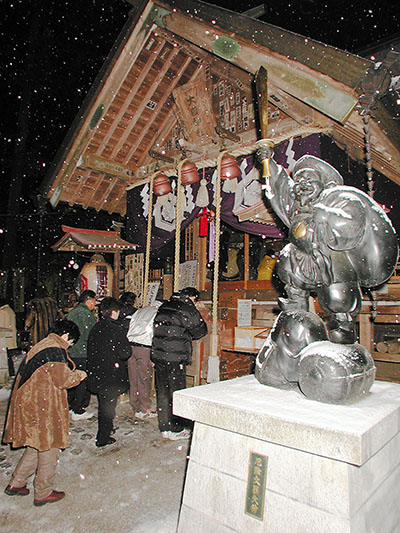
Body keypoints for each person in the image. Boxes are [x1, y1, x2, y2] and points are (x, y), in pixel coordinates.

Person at [256, 144, 398, 343]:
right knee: (288, 260)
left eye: (309, 180)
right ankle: (297, 306)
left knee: (337, 294)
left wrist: (322, 215)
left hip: (333, 262)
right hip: (304, 259)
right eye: (299, 180)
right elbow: (281, 188)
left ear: (325, 184)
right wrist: (268, 163)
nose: (302, 184)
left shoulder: (340, 198)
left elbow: (351, 224)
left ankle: (343, 324)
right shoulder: (299, 205)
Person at [2, 319, 86, 506]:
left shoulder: (44, 344)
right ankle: (43, 492)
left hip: (29, 404)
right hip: (42, 406)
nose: (70, 345)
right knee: (50, 446)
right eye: (71, 341)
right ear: (65, 335)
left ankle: (17, 483)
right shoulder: (55, 351)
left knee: (35, 445)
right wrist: (80, 374)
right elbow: (63, 380)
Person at [151, 287, 208, 440]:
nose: (197, 302)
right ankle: (176, 428)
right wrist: (198, 312)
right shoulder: (187, 309)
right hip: (175, 357)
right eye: (196, 299)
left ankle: (165, 427)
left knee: (162, 392)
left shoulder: (164, 306)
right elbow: (200, 331)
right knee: (176, 392)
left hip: (159, 354)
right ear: (191, 297)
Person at [87, 297, 132, 447]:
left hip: (97, 371)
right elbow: (125, 352)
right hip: (111, 373)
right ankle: (103, 437)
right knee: (108, 407)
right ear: (114, 312)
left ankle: (107, 429)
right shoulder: (116, 329)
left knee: (104, 404)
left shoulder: (96, 327)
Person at [126, 301, 162, 420]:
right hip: (144, 347)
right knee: (144, 378)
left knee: (133, 377)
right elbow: (154, 333)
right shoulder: (157, 313)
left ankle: (135, 404)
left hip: (131, 345)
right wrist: (154, 355)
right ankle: (145, 407)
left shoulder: (140, 311)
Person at [66, 289, 97, 419]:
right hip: (83, 352)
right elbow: (91, 334)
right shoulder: (87, 315)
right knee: (82, 380)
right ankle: (78, 409)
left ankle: (70, 405)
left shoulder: (72, 313)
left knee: (72, 379)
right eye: (94, 301)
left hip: (71, 351)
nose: (94, 305)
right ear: (89, 300)